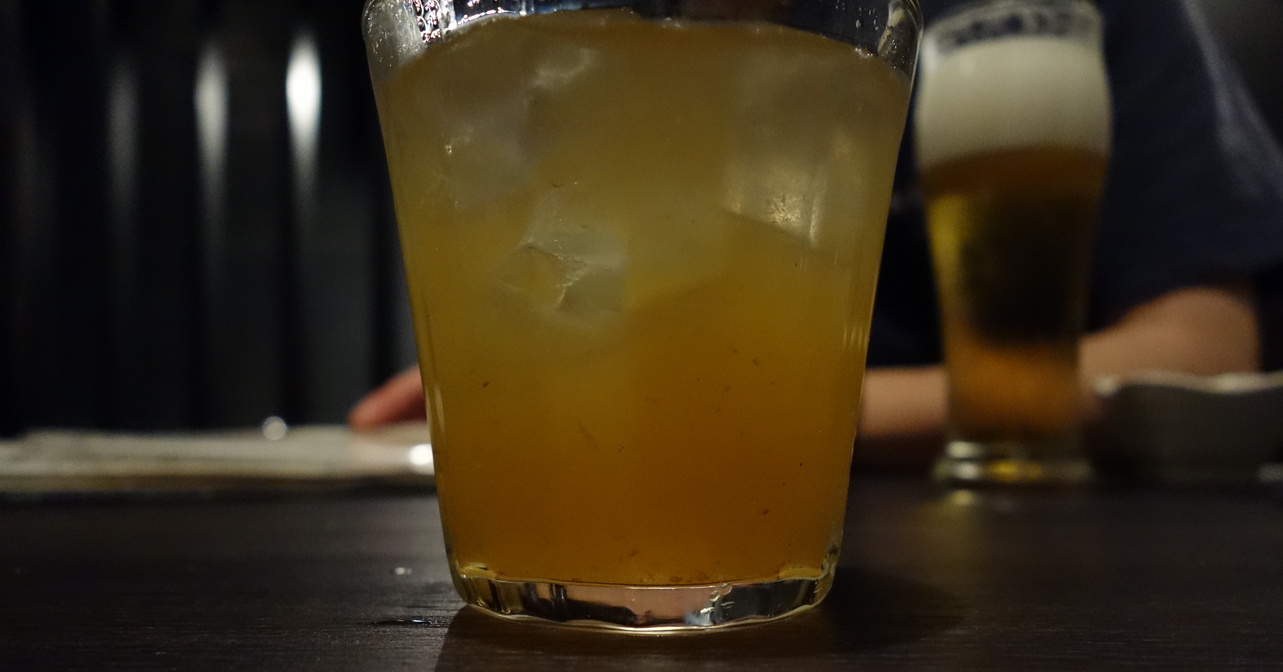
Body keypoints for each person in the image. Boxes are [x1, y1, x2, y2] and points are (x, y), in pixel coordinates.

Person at [348, 0, 1283, 467]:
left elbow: (1204, 350)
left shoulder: (1069, 24)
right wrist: (504, 395)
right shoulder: (579, 52)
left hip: (1046, 557)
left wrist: (785, 415)